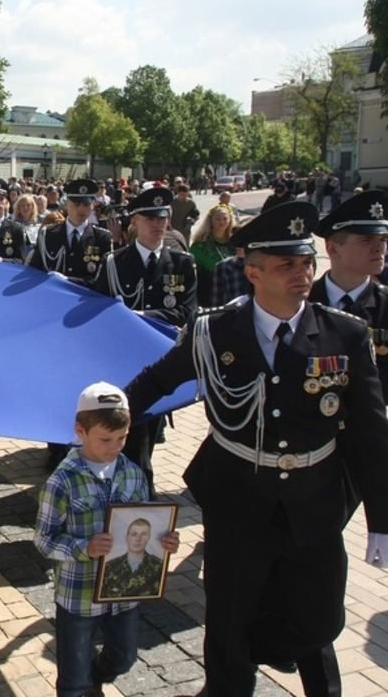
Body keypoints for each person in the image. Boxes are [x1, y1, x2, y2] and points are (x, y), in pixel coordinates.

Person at [123, 201, 388, 696]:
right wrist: (108, 417)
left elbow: (370, 431)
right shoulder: (215, 332)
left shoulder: (345, 333)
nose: (301, 274)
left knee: (318, 619)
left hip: (314, 501)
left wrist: (385, 517)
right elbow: (157, 379)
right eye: (286, 265)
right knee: (229, 617)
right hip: (238, 499)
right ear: (252, 272)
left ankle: (271, 654)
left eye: (305, 263)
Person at [35, 382, 180, 697]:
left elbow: (147, 521)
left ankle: (95, 678)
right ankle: (82, 686)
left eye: (122, 438)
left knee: (125, 657)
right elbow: (44, 540)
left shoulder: (133, 474)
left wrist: (164, 540)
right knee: (72, 680)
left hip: (123, 592)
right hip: (78, 596)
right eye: (105, 439)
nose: (114, 447)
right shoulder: (62, 481)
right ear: (80, 430)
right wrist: (83, 548)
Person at [92, 187, 197, 493]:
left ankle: (138, 494)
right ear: (135, 221)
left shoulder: (182, 263)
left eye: (163, 217)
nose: (158, 224)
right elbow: (100, 314)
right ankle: (131, 493)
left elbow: (186, 313)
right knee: (124, 433)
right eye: (150, 218)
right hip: (121, 365)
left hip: (161, 366)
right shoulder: (114, 263)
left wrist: (137, 314)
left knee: (146, 437)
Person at [310, 190, 388, 406]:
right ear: (332, 248)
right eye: (366, 239)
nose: (379, 247)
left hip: (363, 433)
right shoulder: (300, 301)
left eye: (382, 238)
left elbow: (386, 389)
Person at [29, 178, 113, 287]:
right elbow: (34, 271)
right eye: (76, 204)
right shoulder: (48, 234)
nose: (81, 209)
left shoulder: (102, 238)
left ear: (93, 205)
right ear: (66, 203)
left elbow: (103, 280)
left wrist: (69, 281)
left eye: (86, 204)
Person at [99, 519, 165, 600]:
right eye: (134, 534)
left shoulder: (159, 565)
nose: (138, 539)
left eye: (143, 534)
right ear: (127, 537)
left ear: (149, 537)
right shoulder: (109, 567)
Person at [190, 205, 236, 308]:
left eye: (225, 219)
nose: (222, 222)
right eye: (218, 219)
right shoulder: (200, 245)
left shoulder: (235, 242)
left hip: (233, 291)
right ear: (211, 220)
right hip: (209, 293)